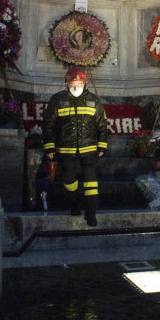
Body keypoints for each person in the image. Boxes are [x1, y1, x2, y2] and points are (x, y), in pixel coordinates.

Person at [43, 67, 108, 226]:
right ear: (66, 84)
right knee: (69, 180)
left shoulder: (93, 100)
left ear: (85, 84)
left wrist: (102, 145)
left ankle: (91, 214)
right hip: (66, 149)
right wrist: (50, 147)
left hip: (88, 149)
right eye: (72, 84)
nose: (75, 87)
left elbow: (102, 124)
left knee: (91, 182)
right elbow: (48, 125)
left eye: (79, 83)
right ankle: (74, 204)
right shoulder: (57, 100)